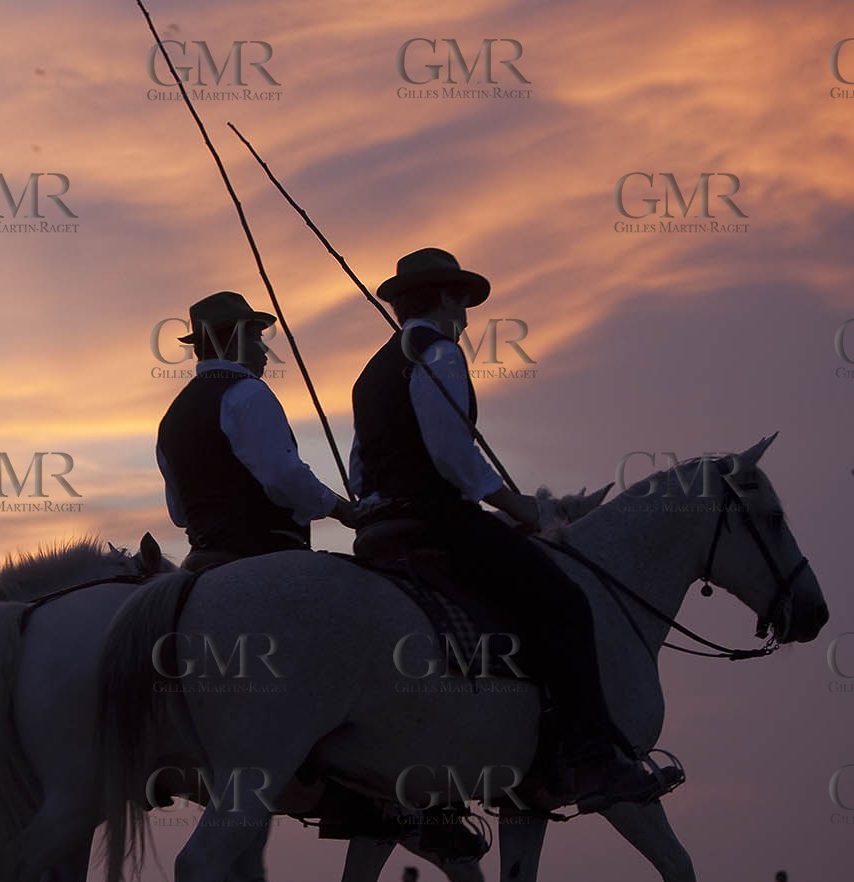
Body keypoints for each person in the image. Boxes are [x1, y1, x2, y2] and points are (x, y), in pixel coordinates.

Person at [349, 248, 676, 814]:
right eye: (463, 303)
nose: (469, 317)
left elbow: (359, 469)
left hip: (379, 531)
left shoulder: (369, 372)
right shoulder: (440, 353)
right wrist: (516, 506)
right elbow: (453, 454)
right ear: (447, 298)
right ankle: (594, 761)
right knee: (566, 601)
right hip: (439, 524)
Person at [156, 291, 355, 574]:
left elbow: (179, 513)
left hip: (199, 563)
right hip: (264, 555)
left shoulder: (172, 415)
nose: (264, 351)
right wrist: (341, 509)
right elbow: (283, 476)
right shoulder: (248, 392)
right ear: (235, 340)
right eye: (256, 338)